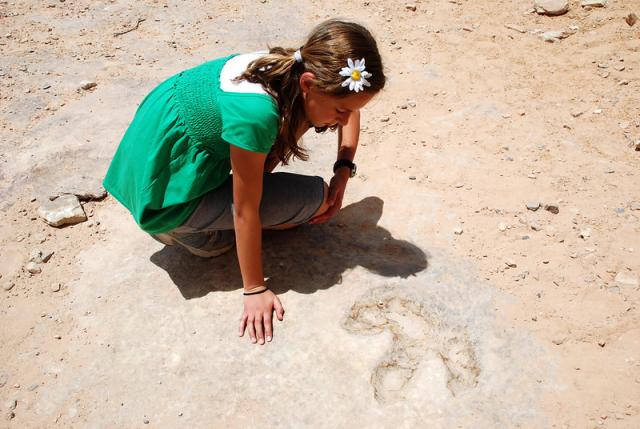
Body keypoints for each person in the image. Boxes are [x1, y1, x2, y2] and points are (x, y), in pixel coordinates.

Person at [103, 19, 386, 346]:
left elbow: (351, 104)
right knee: (316, 200)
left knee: (286, 147)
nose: (344, 119)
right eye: (340, 111)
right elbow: (245, 208)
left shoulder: (285, 67)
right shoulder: (257, 114)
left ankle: (187, 214)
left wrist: (343, 168)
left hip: (149, 170)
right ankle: (189, 230)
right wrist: (254, 287)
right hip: (167, 196)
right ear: (309, 84)